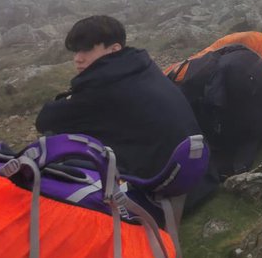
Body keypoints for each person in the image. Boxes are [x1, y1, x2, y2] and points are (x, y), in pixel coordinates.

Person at [36, 15, 201, 179]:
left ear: (114, 49)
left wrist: (70, 98)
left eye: (86, 49)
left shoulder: (102, 85)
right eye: (76, 50)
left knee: (56, 143)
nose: (78, 58)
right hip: (195, 172)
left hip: (161, 182)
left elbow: (45, 120)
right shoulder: (141, 66)